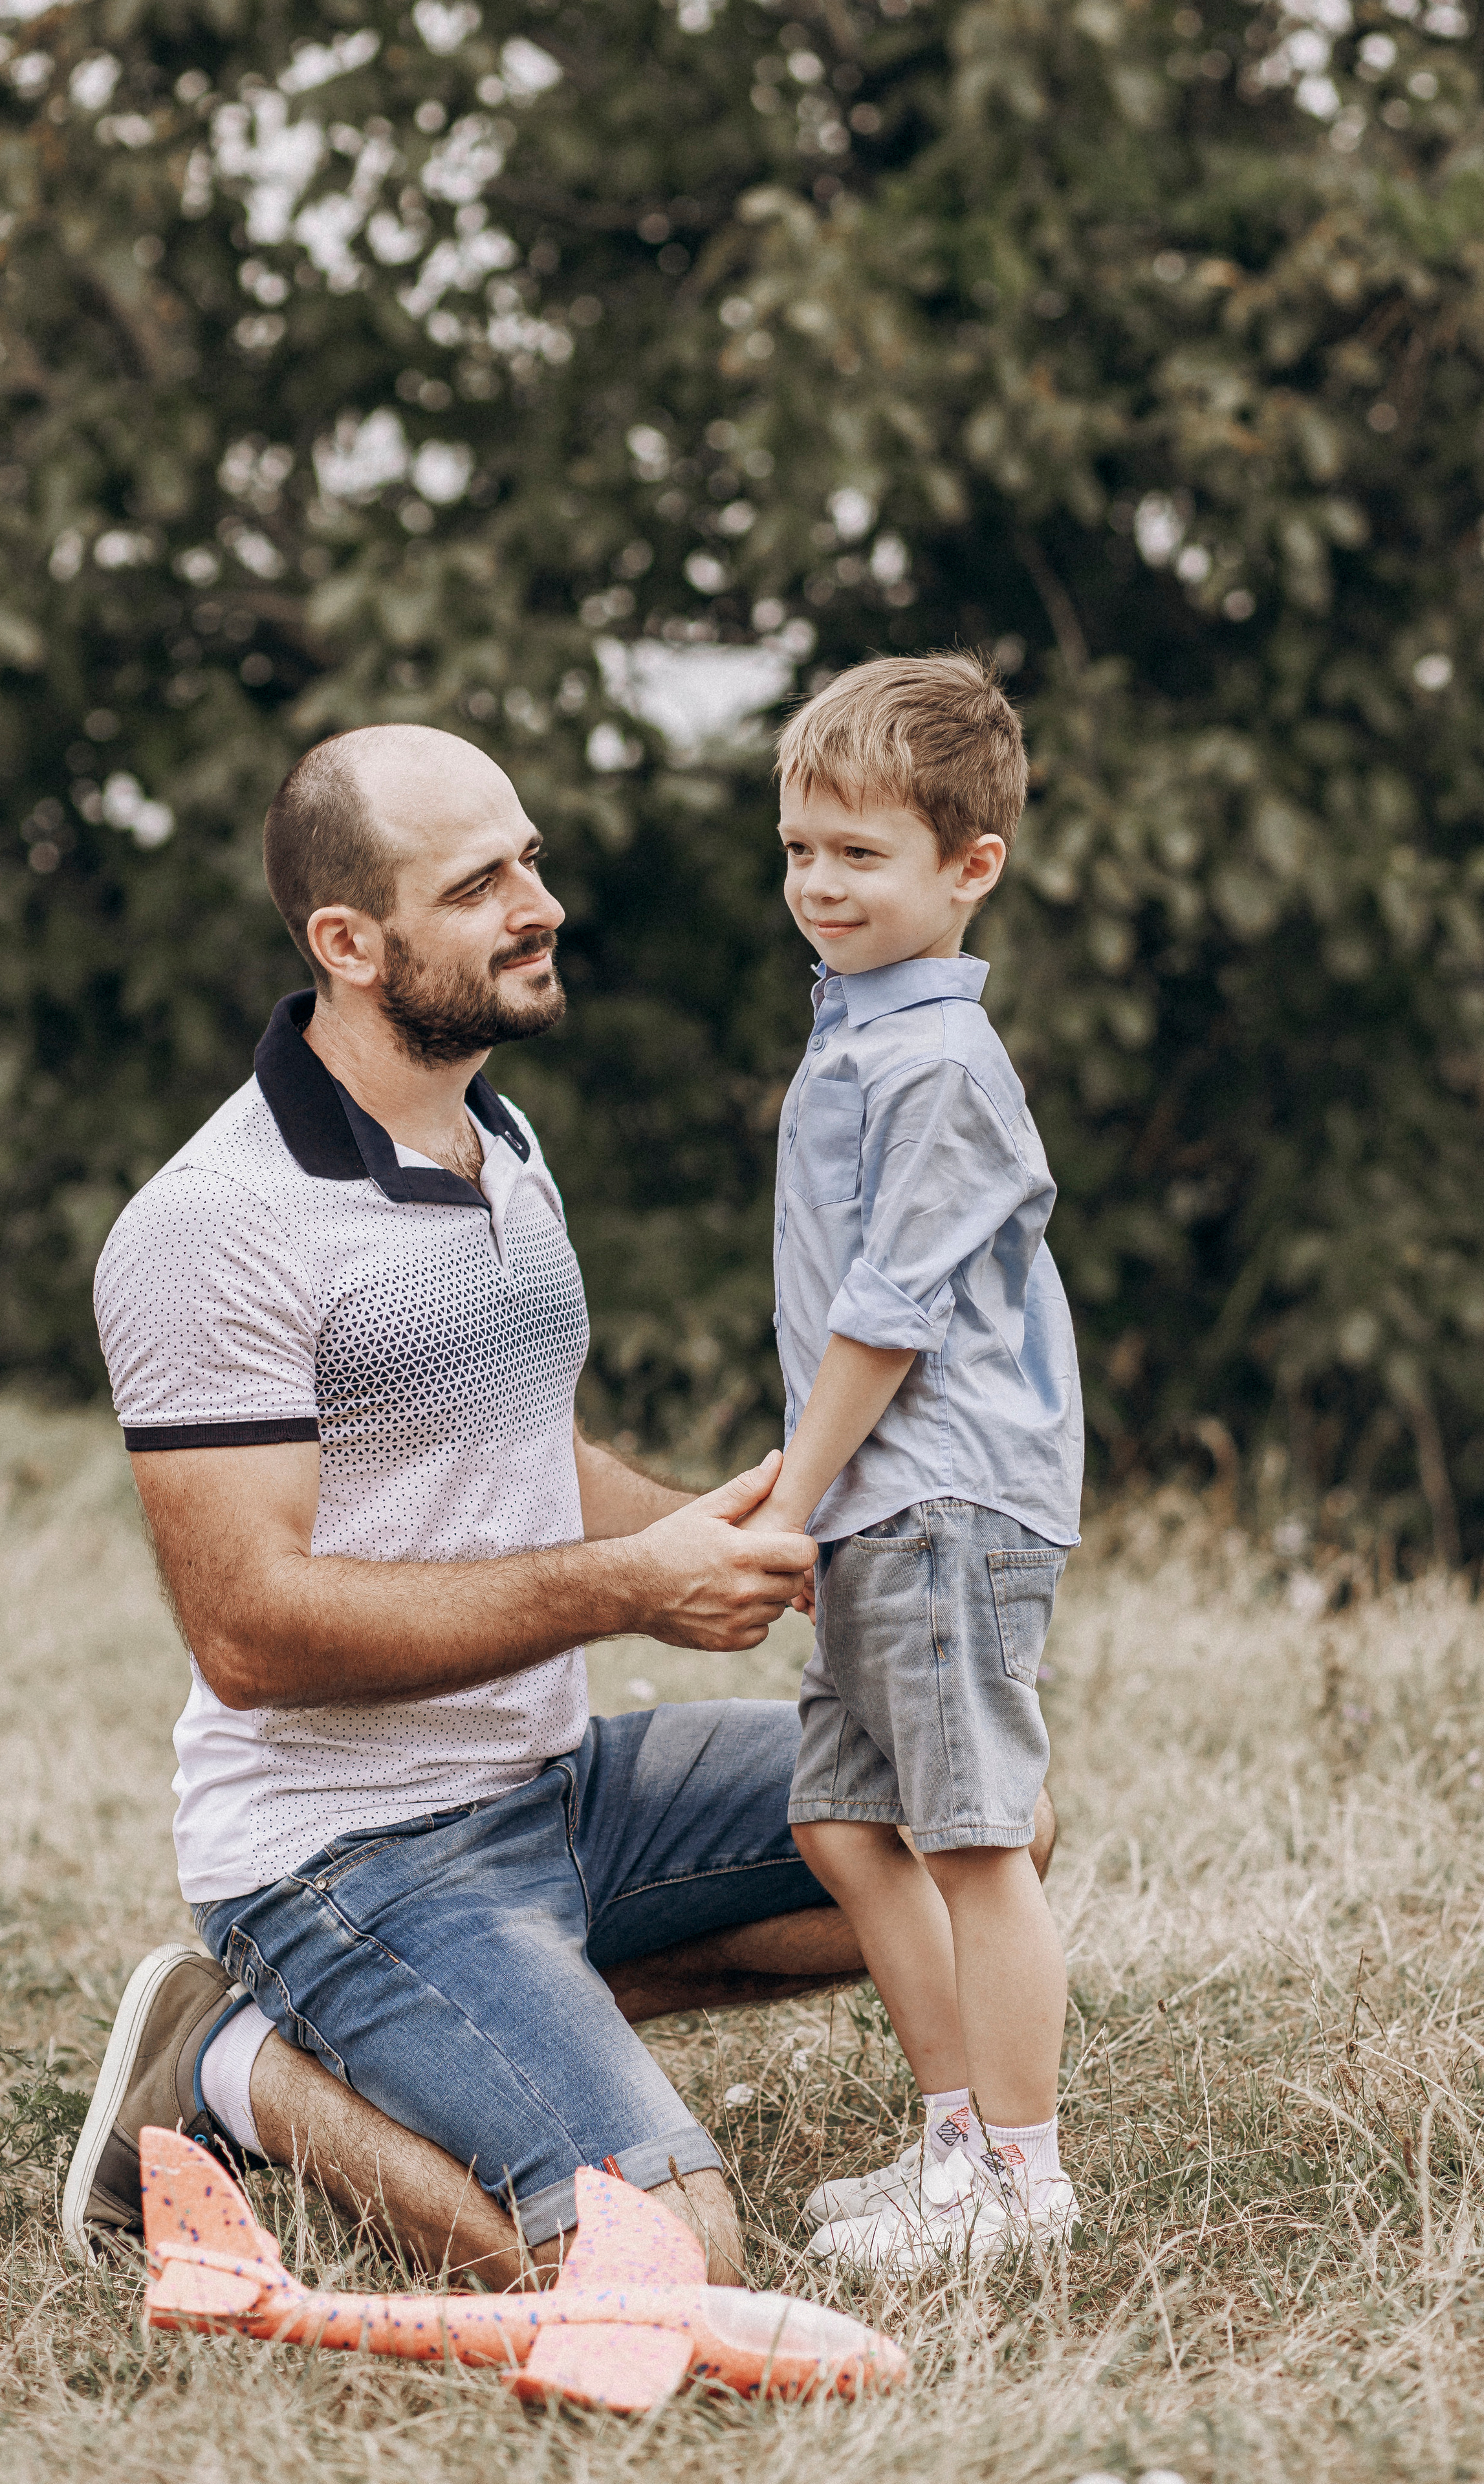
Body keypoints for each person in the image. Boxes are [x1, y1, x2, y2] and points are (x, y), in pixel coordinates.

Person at [65, 717, 1056, 2285]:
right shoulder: (215, 1225)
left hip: (562, 1789)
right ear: (350, 941)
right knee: (662, 2263)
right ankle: (232, 2069)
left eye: (529, 859)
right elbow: (249, 1633)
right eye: (479, 885)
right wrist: (630, 1589)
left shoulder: (496, 1142)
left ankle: (471, 2024)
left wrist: (719, 1528)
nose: (540, 904)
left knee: (965, 1823)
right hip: (351, 1851)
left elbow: (524, 1452)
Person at [737, 654, 1084, 2274]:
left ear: (968, 867)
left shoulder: (936, 1062)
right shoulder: (857, 1033)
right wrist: (795, 1483)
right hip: (877, 1492)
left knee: (971, 1838)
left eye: (857, 855)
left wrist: (791, 1502)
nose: (816, 882)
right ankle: (953, 2139)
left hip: (939, 1494)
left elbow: (887, 1315)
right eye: (800, 846)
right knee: (840, 1825)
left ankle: (1022, 2174)